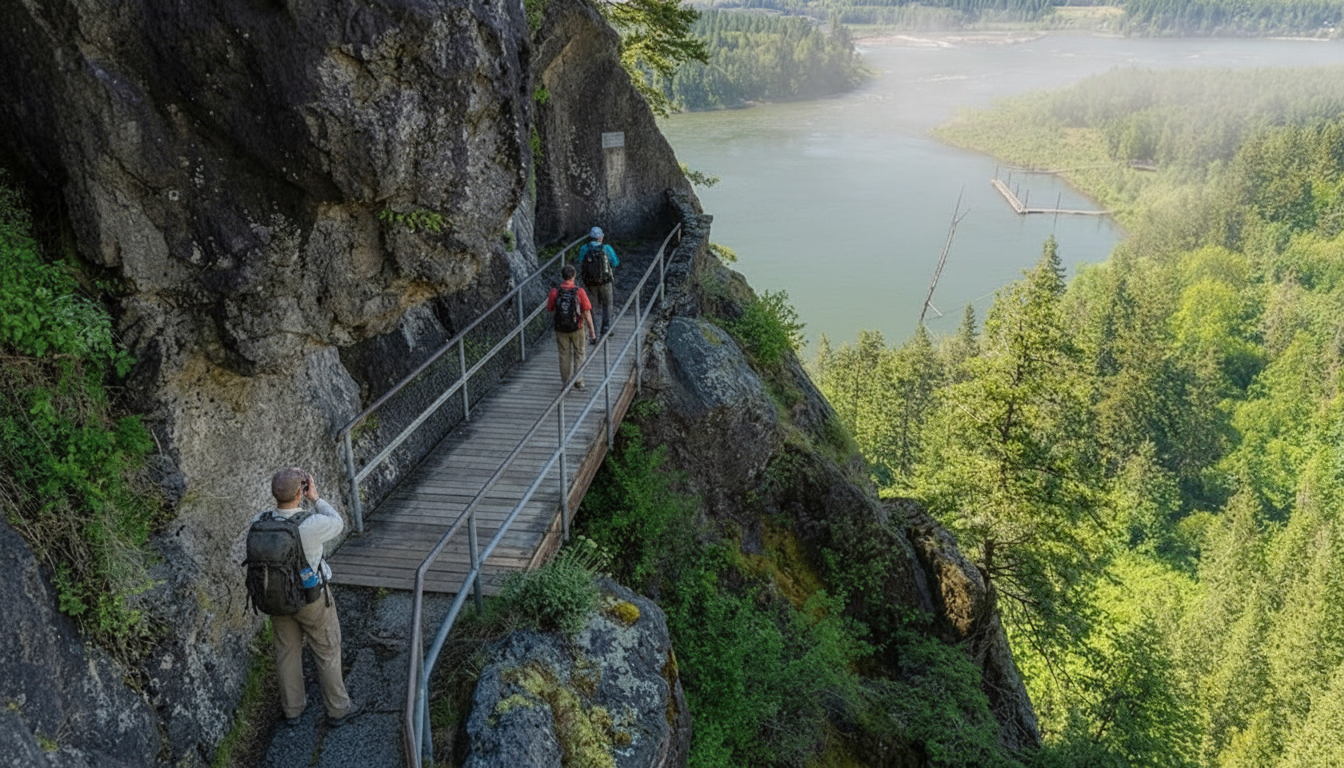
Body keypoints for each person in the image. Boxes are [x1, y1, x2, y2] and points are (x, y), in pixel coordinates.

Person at [252, 468, 362, 729]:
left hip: (275, 599)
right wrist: (315, 498)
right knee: (326, 649)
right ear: (300, 492)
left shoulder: (259, 521)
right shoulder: (310, 525)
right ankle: (338, 709)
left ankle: (292, 710)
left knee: (286, 652)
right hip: (311, 598)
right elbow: (337, 521)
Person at [547, 263, 596, 390]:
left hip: (560, 328)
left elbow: (550, 308)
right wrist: (592, 331)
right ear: (574, 276)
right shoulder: (579, 291)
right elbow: (586, 312)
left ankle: (565, 382)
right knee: (580, 352)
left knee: (564, 354)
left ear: (563, 276)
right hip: (577, 327)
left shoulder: (555, 291)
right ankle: (578, 380)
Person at [577, 226, 619, 337]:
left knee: (592, 306)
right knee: (607, 304)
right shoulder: (607, 248)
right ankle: (605, 329)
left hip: (590, 283)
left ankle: (593, 331)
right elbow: (615, 263)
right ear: (601, 237)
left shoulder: (584, 248)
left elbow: (580, 262)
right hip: (605, 282)